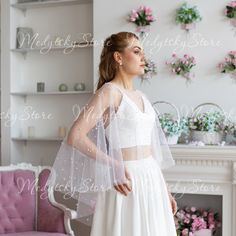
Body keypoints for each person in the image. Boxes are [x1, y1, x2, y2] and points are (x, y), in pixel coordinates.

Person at [48, 32, 178, 236]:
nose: (144, 57)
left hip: (151, 178)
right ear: (118, 57)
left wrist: (166, 190)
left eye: (143, 52)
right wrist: (114, 166)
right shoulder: (109, 92)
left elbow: (151, 150)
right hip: (123, 179)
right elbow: (75, 136)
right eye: (136, 51)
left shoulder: (142, 96)